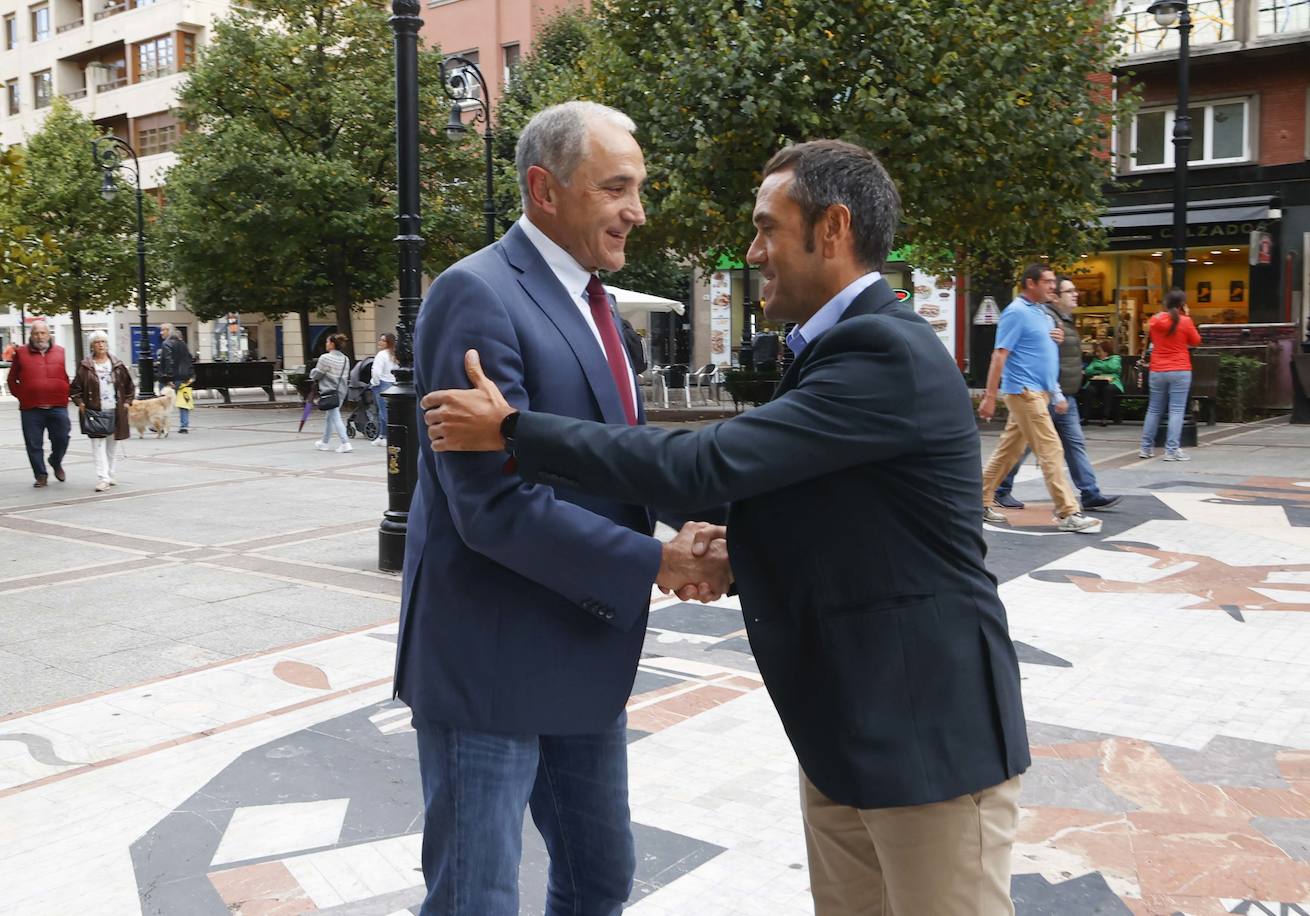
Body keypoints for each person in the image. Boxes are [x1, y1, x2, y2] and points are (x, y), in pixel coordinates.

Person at [421, 139, 1031, 916]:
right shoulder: (831, 346)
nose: (752, 251)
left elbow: (709, 464)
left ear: (832, 229)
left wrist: (514, 430)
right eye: (617, 186)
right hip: (850, 731)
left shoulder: (884, 350)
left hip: (926, 734)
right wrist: (713, 551)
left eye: (767, 228)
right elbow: (808, 504)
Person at [396, 101, 728, 916]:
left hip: (584, 649)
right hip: (492, 661)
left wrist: (706, 529)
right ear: (544, 189)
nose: (637, 211)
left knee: (598, 881)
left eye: (639, 188)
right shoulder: (475, 294)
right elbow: (490, 505)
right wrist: (658, 560)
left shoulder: (598, 300)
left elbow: (614, 462)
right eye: (616, 187)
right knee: (476, 898)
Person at [979, 265, 1101, 533]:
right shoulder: (1016, 313)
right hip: (1024, 392)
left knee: (1009, 451)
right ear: (1030, 283)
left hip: (1038, 392)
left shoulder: (1041, 314)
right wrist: (989, 396)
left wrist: (1055, 392)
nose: (1052, 287)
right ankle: (1069, 512)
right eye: (1047, 282)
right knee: (1051, 449)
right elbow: (999, 355)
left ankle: (978, 502)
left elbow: (1042, 357)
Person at [991, 277, 1121, 513]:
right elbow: (1006, 355)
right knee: (1042, 448)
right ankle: (1067, 510)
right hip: (1035, 392)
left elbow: (1052, 357)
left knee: (1062, 445)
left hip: (1058, 394)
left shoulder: (1056, 320)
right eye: (1067, 290)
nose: (1075, 294)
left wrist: (1061, 394)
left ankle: (1090, 493)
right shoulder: (1033, 315)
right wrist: (991, 397)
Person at [6, 320, 71, 488]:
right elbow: (12, 379)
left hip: (58, 405)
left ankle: (55, 461)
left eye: (42, 333)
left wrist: (66, 392)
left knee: (62, 438)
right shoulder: (21, 353)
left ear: (49, 334)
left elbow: (67, 375)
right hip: (31, 408)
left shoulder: (61, 352)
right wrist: (22, 396)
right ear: (31, 335)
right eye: (36, 333)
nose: (39, 336)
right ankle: (40, 475)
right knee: (33, 444)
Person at [1140, 289, 1202, 461]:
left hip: (1157, 369)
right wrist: (1187, 315)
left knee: (1153, 409)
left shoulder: (1155, 320)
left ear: (1166, 304)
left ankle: (1145, 448)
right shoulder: (1185, 321)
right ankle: (1171, 450)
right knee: (1176, 410)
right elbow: (1196, 341)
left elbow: (1152, 333)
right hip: (1180, 369)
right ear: (1182, 305)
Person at [69, 330, 134, 492]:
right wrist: (81, 403)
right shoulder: (86, 366)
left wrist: (127, 402)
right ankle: (102, 477)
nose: (100, 345)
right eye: (97, 342)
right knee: (98, 444)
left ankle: (110, 474)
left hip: (115, 409)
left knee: (112, 444)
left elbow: (129, 385)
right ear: (92, 345)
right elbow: (75, 388)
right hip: (94, 410)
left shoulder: (117, 364)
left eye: (103, 341)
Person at [310, 334, 353, 453]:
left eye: (327, 342)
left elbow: (318, 374)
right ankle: (324, 442)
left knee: (335, 416)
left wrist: (312, 372)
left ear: (332, 344)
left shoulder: (325, 358)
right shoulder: (346, 359)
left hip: (329, 390)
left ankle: (345, 443)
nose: (326, 344)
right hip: (341, 390)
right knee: (330, 417)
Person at [155, 323, 194, 434]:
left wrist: (168, 378)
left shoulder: (166, 343)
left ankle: (160, 426)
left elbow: (169, 361)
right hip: (184, 378)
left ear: (168, 330)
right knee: (183, 402)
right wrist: (190, 375)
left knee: (163, 402)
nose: (161, 333)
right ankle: (184, 426)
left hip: (170, 378)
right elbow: (189, 359)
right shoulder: (183, 344)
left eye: (163, 330)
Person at [1079, 338, 1123, 425]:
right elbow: (1088, 371)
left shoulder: (1116, 358)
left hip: (1112, 382)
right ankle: (1085, 417)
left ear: (1106, 352)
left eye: (1099, 351)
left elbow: (1114, 368)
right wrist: (1100, 371)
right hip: (1096, 383)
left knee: (1108, 390)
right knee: (1089, 390)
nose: (1097, 353)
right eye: (1097, 351)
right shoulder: (1095, 360)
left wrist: (1099, 367)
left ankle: (1104, 417)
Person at [369, 332, 398, 447]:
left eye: (383, 340)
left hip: (382, 383)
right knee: (385, 410)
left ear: (388, 342)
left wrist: (374, 383)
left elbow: (376, 371)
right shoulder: (394, 354)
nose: (380, 342)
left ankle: (388, 436)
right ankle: (382, 435)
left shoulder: (381, 355)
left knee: (383, 411)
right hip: (393, 382)